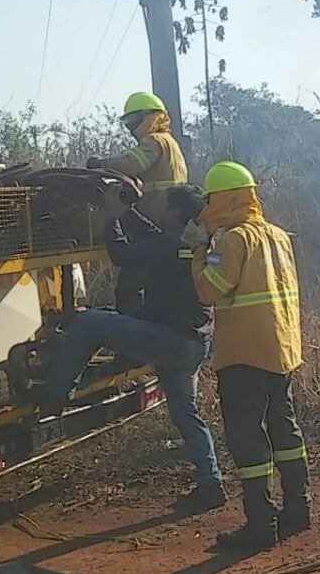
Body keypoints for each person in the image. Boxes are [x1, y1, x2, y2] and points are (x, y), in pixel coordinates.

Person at [37, 186, 224, 513]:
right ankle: (211, 483)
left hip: (168, 339)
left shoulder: (170, 246)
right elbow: (156, 239)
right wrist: (127, 213)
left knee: (87, 323)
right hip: (196, 343)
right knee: (187, 414)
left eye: (168, 209)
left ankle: (54, 396)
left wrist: (112, 218)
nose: (163, 213)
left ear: (177, 214)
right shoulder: (202, 245)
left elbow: (122, 255)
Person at [186, 161, 309, 551]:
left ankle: (260, 525)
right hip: (282, 349)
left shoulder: (232, 241)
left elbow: (209, 292)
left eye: (209, 199)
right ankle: (298, 510)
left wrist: (197, 252)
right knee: (284, 428)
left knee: (248, 436)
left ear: (220, 199)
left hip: (244, 354)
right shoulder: (277, 235)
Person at [87, 91, 188, 314]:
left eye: (133, 121)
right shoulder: (171, 143)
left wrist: (101, 164)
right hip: (167, 224)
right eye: (127, 122)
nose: (131, 127)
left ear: (149, 117)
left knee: (130, 284)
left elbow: (131, 164)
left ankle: (130, 332)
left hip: (155, 222)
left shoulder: (154, 141)